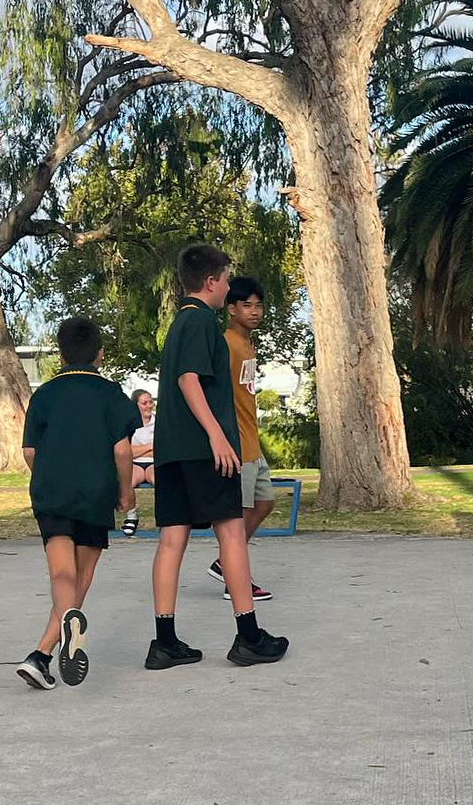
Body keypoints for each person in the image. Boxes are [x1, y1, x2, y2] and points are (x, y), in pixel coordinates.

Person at [148, 244, 288, 670]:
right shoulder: (202, 323)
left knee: (172, 541)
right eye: (226, 280)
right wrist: (217, 436)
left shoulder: (178, 325)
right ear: (211, 282)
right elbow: (189, 380)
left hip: (172, 451)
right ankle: (248, 636)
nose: (228, 287)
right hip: (203, 451)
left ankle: (165, 642)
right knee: (231, 534)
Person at [14, 317, 141, 690]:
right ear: (100, 354)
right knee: (82, 576)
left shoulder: (45, 394)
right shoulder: (111, 394)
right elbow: (122, 450)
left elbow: (30, 451)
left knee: (60, 574)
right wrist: (127, 493)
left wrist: (49, 472)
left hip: (51, 492)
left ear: (60, 355)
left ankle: (41, 656)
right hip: (93, 491)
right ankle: (52, 643)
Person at [206, 276, 275, 601]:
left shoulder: (248, 344)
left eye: (258, 305)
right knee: (237, 517)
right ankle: (236, 581)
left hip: (252, 442)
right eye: (247, 305)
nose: (255, 311)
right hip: (236, 445)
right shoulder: (228, 344)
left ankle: (224, 564)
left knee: (264, 503)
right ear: (231, 309)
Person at [121, 389, 156, 536]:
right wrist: (149, 446)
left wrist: (138, 450)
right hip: (134, 463)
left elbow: (162, 449)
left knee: (162, 480)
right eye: (144, 403)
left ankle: (164, 517)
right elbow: (126, 451)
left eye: (150, 402)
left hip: (154, 462)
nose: (148, 406)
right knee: (127, 480)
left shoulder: (159, 421)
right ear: (136, 405)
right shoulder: (128, 424)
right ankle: (131, 516)